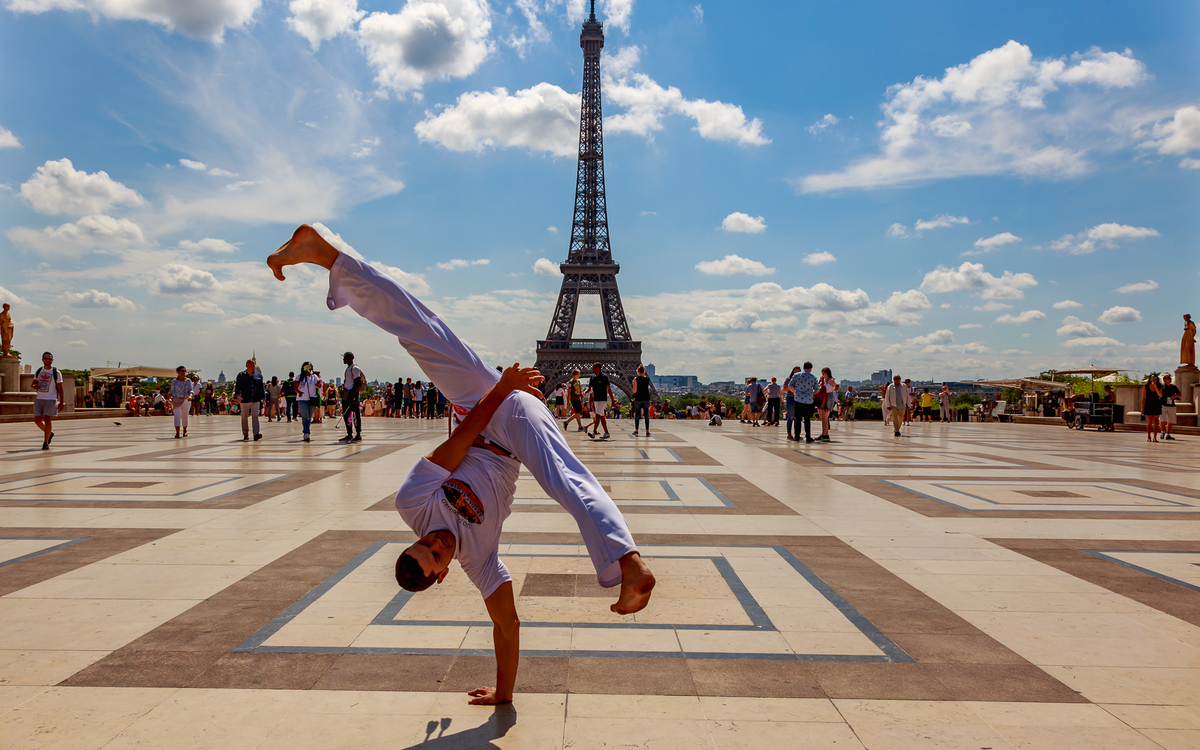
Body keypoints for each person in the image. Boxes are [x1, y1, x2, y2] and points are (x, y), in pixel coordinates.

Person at [267, 224, 655, 705]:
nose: (438, 542)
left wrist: (503, 386)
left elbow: (463, 438)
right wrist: (504, 694)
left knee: (419, 332)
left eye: (424, 543)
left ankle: (324, 253)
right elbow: (507, 625)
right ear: (444, 573)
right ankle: (629, 563)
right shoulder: (479, 561)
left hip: (483, 407)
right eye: (437, 555)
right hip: (515, 430)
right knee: (565, 480)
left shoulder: (412, 504)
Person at [32, 351, 63, 450]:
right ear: (42, 359)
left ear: (52, 360)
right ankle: (49, 433)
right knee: (37, 420)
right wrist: (35, 386)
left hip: (50, 398)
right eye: (46, 358)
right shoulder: (39, 371)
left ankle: (45, 442)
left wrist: (61, 401)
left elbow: (60, 388)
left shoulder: (56, 372)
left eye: (50, 358)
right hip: (39, 398)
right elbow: (33, 384)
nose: (48, 360)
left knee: (47, 419)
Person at [234, 359, 264, 441]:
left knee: (255, 416)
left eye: (253, 365)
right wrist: (238, 396)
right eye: (251, 365)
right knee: (244, 417)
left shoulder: (258, 375)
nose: (253, 367)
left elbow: (261, 388)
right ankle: (245, 434)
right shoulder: (241, 375)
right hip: (245, 399)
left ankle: (256, 434)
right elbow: (237, 386)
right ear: (246, 366)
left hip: (255, 399)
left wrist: (263, 398)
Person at [787, 362, 817, 443]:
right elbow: (817, 389)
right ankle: (808, 436)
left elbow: (789, 385)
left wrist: (794, 392)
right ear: (811, 368)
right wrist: (811, 394)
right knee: (807, 419)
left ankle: (796, 436)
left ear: (803, 367)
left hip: (798, 399)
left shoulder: (796, 375)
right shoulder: (813, 377)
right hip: (808, 401)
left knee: (798, 418)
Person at [586, 363, 615, 439]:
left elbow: (609, 389)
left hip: (602, 399)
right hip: (596, 399)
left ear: (598, 368)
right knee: (602, 417)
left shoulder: (604, 377)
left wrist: (612, 400)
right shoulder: (592, 377)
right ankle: (607, 433)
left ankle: (594, 432)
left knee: (598, 415)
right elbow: (589, 388)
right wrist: (584, 392)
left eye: (594, 367)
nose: (592, 369)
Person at [342, 352, 364, 442]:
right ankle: (349, 433)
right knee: (346, 415)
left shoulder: (355, 368)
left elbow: (357, 383)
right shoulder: (348, 368)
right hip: (346, 393)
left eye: (345, 357)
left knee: (355, 415)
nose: (343, 359)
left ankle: (358, 434)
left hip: (352, 394)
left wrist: (352, 397)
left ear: (351, 358)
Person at [296, 361, 319, 442]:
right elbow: (295, 387)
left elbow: (319, 385)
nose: (309, 368)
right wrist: (299, 392)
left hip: (312, 398)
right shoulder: (299, 377)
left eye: (310, 366)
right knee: (305, 416)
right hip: (302, 399)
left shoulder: (314, 377)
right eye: (308, 367)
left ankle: (306, 430)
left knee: (309, 417)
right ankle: (306, 433)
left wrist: (318, 382)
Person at [169, 365, 192, 438]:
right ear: (178, 372)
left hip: (186, 400)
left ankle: (185, 430)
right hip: (176, 400)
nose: (183, 372)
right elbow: (171, 391)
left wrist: (190, 396)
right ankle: (177, 432)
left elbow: (191, 390)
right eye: (182, 371)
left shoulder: (188, 381)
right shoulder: (174, 381)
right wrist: (167, 399)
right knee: (177, 415)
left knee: (185, 416)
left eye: (185, 371)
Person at [631, 364, 652, 436]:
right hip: (646, 398)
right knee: (646, 415)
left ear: (637, 371)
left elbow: (634, 391)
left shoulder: (636, 379)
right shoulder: (647, 379)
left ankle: (636, 430)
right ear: (644, 371)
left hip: (638, 398)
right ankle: (647, 431)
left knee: (637, 415)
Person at [816, 368, 836, 441]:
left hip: (827, 399)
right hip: (822, 399)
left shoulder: (831, 381)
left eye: (823, 374)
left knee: (825, 418)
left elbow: (826, 389)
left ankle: (826, 435)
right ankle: (823, 433)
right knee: (823, 418)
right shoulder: (825, 381)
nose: (823, 375)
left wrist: (821, 383)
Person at [1160, 374, 1180, 440]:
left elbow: (1179, 394)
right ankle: (1163, 432)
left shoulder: (1173, 387)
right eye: (1168, 378)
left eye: (1170, 378)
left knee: (1171, 420)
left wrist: (1175, 396)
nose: (1170, 379)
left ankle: (1168, 434)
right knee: (1162, 419)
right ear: (1164, 380)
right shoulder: (1162, 387)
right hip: (1163, 405)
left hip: (1171, 405)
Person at [1143, 375, 1163, 443]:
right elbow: (1143, 397)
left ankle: (1155, 437)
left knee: (1156, 420)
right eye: (1152, 378)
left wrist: (1156, 387)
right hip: (1149, 403)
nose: (1154, 379)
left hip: (1156, 403)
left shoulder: (1159, 386)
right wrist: (1142, 407)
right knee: (1150, 420)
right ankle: (1149, 436)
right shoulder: (1146, 386)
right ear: (1150, 379)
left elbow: (1160, 395)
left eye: (1155, 378)